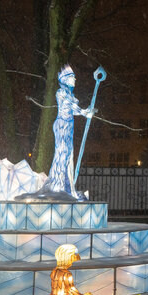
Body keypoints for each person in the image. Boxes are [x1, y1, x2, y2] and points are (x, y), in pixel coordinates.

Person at [43, 65, 95, 200]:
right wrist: (84, 112)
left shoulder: (70, 94)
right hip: (62, 125)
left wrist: (85, 112)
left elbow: (74, 108)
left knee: (68, 156)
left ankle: (67, 187)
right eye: (72, 77)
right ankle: (57, 186)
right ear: (65, 79)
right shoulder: (61, 92)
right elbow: (69, 106)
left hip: (69, 126)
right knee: (62, 154)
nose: (75, 79)